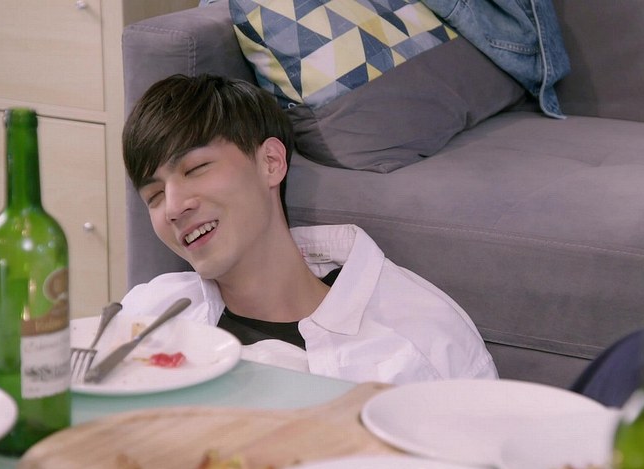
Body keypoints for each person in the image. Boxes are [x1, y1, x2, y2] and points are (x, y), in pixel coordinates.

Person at [118, 73, 498, 384]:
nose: (174, 207)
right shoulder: (148, 315)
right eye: (154, 195)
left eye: (196, 169)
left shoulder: (420, 336)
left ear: (270, 162)